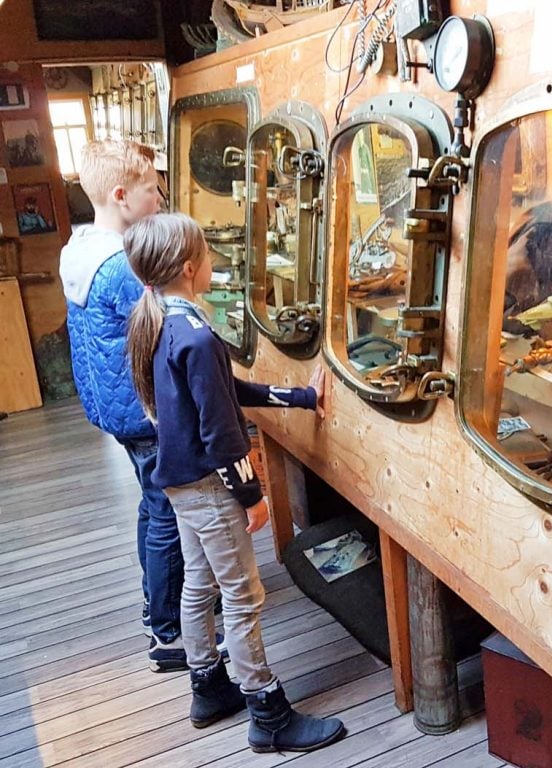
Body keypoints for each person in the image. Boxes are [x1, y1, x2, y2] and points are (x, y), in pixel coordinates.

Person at [124, 212, 346, 751]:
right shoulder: (195, 335)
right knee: (244, 595)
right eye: (207, 255)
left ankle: (207, 686)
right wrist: (251, 495)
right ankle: (266, 712)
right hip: (210, 487)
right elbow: (223, 431)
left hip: (178, 484)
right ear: (188, 267)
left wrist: (298, 397)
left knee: (199, 586)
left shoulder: (159, 321)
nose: (213, 264)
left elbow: (224, 389)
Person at [58, 139, 192, 672]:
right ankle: (167, 634)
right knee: (166, 515)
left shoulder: (78, 249)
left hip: (112, 406)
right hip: (144, 411)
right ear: (121, 196)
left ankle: (153, 611)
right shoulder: (120, 265)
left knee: (151, 505)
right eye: (151, 192)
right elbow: (163, 328)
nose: (159, 199)